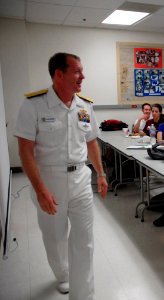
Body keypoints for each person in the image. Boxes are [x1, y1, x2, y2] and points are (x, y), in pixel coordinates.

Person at [14, 52, 108, 298]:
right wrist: (40, 189)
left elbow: (91, 142)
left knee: (84, 240)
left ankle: (83, 294)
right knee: (55, 236)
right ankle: (63, 274)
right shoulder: (34, 104)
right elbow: (25, 149)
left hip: (81, 178)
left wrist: (100, 173)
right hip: (49, 179)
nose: (82, 76)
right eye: (77, 71)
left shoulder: (84, 106)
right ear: (59, 74)